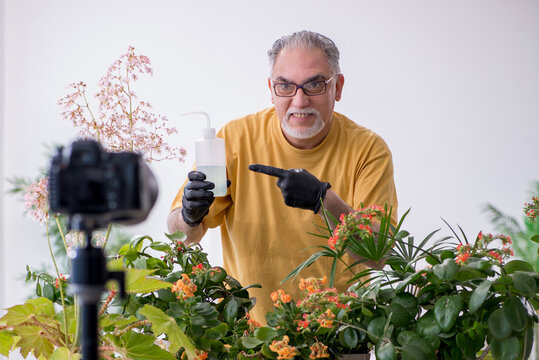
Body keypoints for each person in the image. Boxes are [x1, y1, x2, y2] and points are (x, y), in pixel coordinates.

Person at [168, 30, 398, 322]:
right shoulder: (234, 140)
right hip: (249, 334)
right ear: (271, 88)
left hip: (339, 332)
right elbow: (182, 237)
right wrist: (189, 215)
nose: (299, 101)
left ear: (337, 88)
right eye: (286, 86)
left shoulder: (368, 150)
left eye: (314, 85)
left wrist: (323, 199)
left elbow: (379, 256)